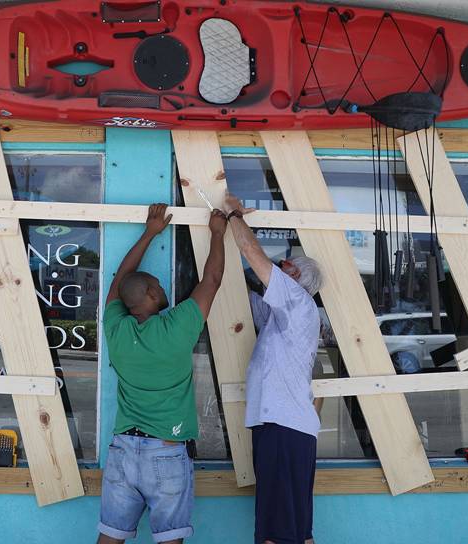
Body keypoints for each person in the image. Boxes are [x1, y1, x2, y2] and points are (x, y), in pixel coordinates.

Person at [97, 203, 228, 544]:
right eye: (157, 283)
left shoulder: (115, 328)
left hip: (123, 449)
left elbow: (119, 283)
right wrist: (217, 231)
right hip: (165, 454)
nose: (161, 285)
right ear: (153, 294)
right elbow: (212, 280)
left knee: (109, 539)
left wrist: (149, 233)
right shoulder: (175, 327)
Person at [224, 193, 323, 544]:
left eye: (287, 265)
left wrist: (234, 214)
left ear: (297, 278)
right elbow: (239, 294)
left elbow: (253, 255)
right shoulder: (281, 316)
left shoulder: (296, 301)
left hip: (283, 426)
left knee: (276, 534)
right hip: (284, 426)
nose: (279, 267)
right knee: (294, 529)